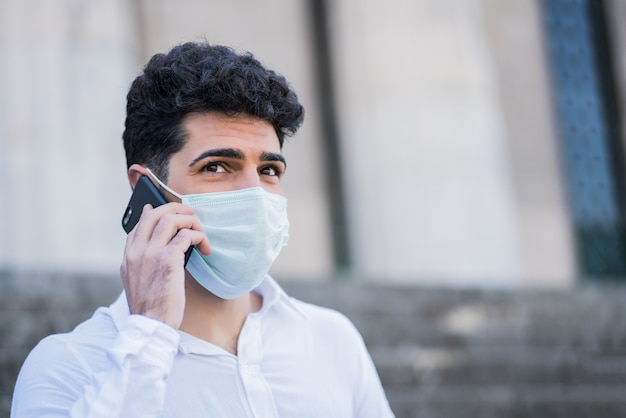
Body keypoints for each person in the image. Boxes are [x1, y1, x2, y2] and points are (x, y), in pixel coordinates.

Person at [11, 42, 394, 417]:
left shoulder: (333, 340)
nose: (254, 193)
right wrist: (148, 333)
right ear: (147, 189)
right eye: (216, 166)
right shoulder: (67, 366)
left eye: (269, 171)